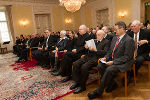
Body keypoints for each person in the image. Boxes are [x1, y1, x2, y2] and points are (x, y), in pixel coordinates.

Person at [87, 21, 135, 99]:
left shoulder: (129, 40)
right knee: (100, 66)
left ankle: (98, 91)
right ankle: (112, 84)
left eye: (116, 29)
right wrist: (105, 57)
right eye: (114, 29)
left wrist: (113, 62)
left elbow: (127, 57)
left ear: (122, 28)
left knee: (109, 69)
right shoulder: (115, 37)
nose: (114, 31)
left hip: (123, 62)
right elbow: (110, 51)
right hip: (113, 59)